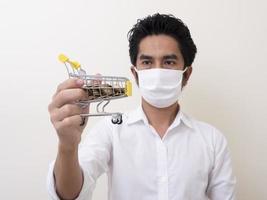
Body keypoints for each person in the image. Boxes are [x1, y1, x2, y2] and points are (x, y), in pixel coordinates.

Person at [47, 13, 236, 200]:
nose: (158, 70)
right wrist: (68, 145)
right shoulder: (112, 130)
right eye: (147, 62)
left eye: (169, 62)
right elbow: (68, 194)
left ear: (186, 74)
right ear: (135, 73)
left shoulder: (212, 140)